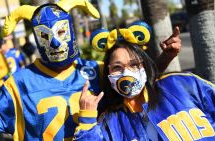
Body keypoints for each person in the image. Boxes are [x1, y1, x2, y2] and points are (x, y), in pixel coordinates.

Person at [0, 2, 181, 141]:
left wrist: (166, 57)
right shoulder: (18, 83)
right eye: (45, 36)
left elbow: (136, 83)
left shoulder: (95, 70)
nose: (56, 42)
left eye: (61, 31)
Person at [74, 23, 215, 141]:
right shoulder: (109, 122)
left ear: (144, 66)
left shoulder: (182, 84)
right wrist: (87, 121)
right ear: (108, 74)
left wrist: (165, 58)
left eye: (134, 64)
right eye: (117, 67)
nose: (126, 73)